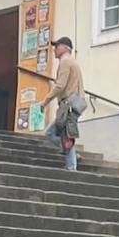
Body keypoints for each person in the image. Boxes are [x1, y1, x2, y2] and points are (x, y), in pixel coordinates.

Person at [41, 37, 86, 172]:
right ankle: (73, 156)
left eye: (57, 46)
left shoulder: (65, 62)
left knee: (54, 134)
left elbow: (60, 86)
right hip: (75, 103)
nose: (54, 49)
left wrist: (45, 101)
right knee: (64, 134)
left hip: (69, 104)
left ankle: (72, 167)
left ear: (66, 48)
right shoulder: (72, 62)